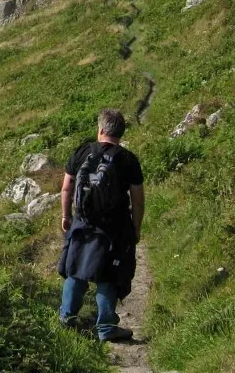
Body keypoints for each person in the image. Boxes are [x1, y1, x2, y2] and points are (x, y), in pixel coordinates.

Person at [58, 108, 145, 342]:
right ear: (120, 132)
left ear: (100, 130)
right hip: (115, 227)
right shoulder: (128, 159)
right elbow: (137, 199)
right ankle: (106, 328)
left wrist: (66, 216)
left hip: (83, 223)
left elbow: (67, 187)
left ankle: (66, 318)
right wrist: (136, 228)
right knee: (109, 275)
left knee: (75, 269)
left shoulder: (82, 152)